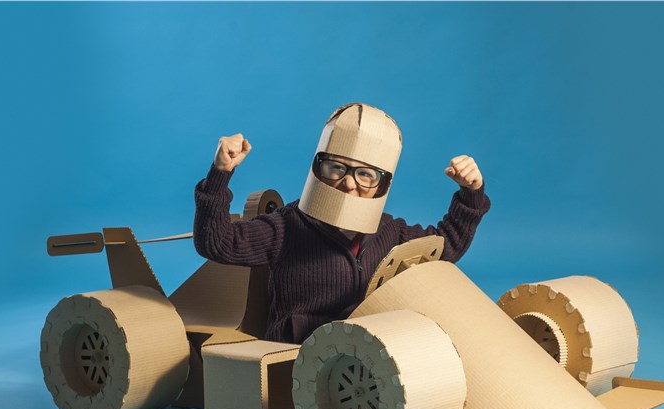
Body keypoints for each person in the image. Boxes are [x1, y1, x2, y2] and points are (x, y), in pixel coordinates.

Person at [194, 103, 490, 344]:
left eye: (365, 174)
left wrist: (471, 192)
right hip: (297, 357)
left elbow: (445, 247)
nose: (349, 183)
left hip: (364, 360)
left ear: (382, 184)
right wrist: (220, 173)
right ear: (318, 168)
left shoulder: (391, 232)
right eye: (336, 168)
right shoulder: (286, 227)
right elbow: (216, 243)